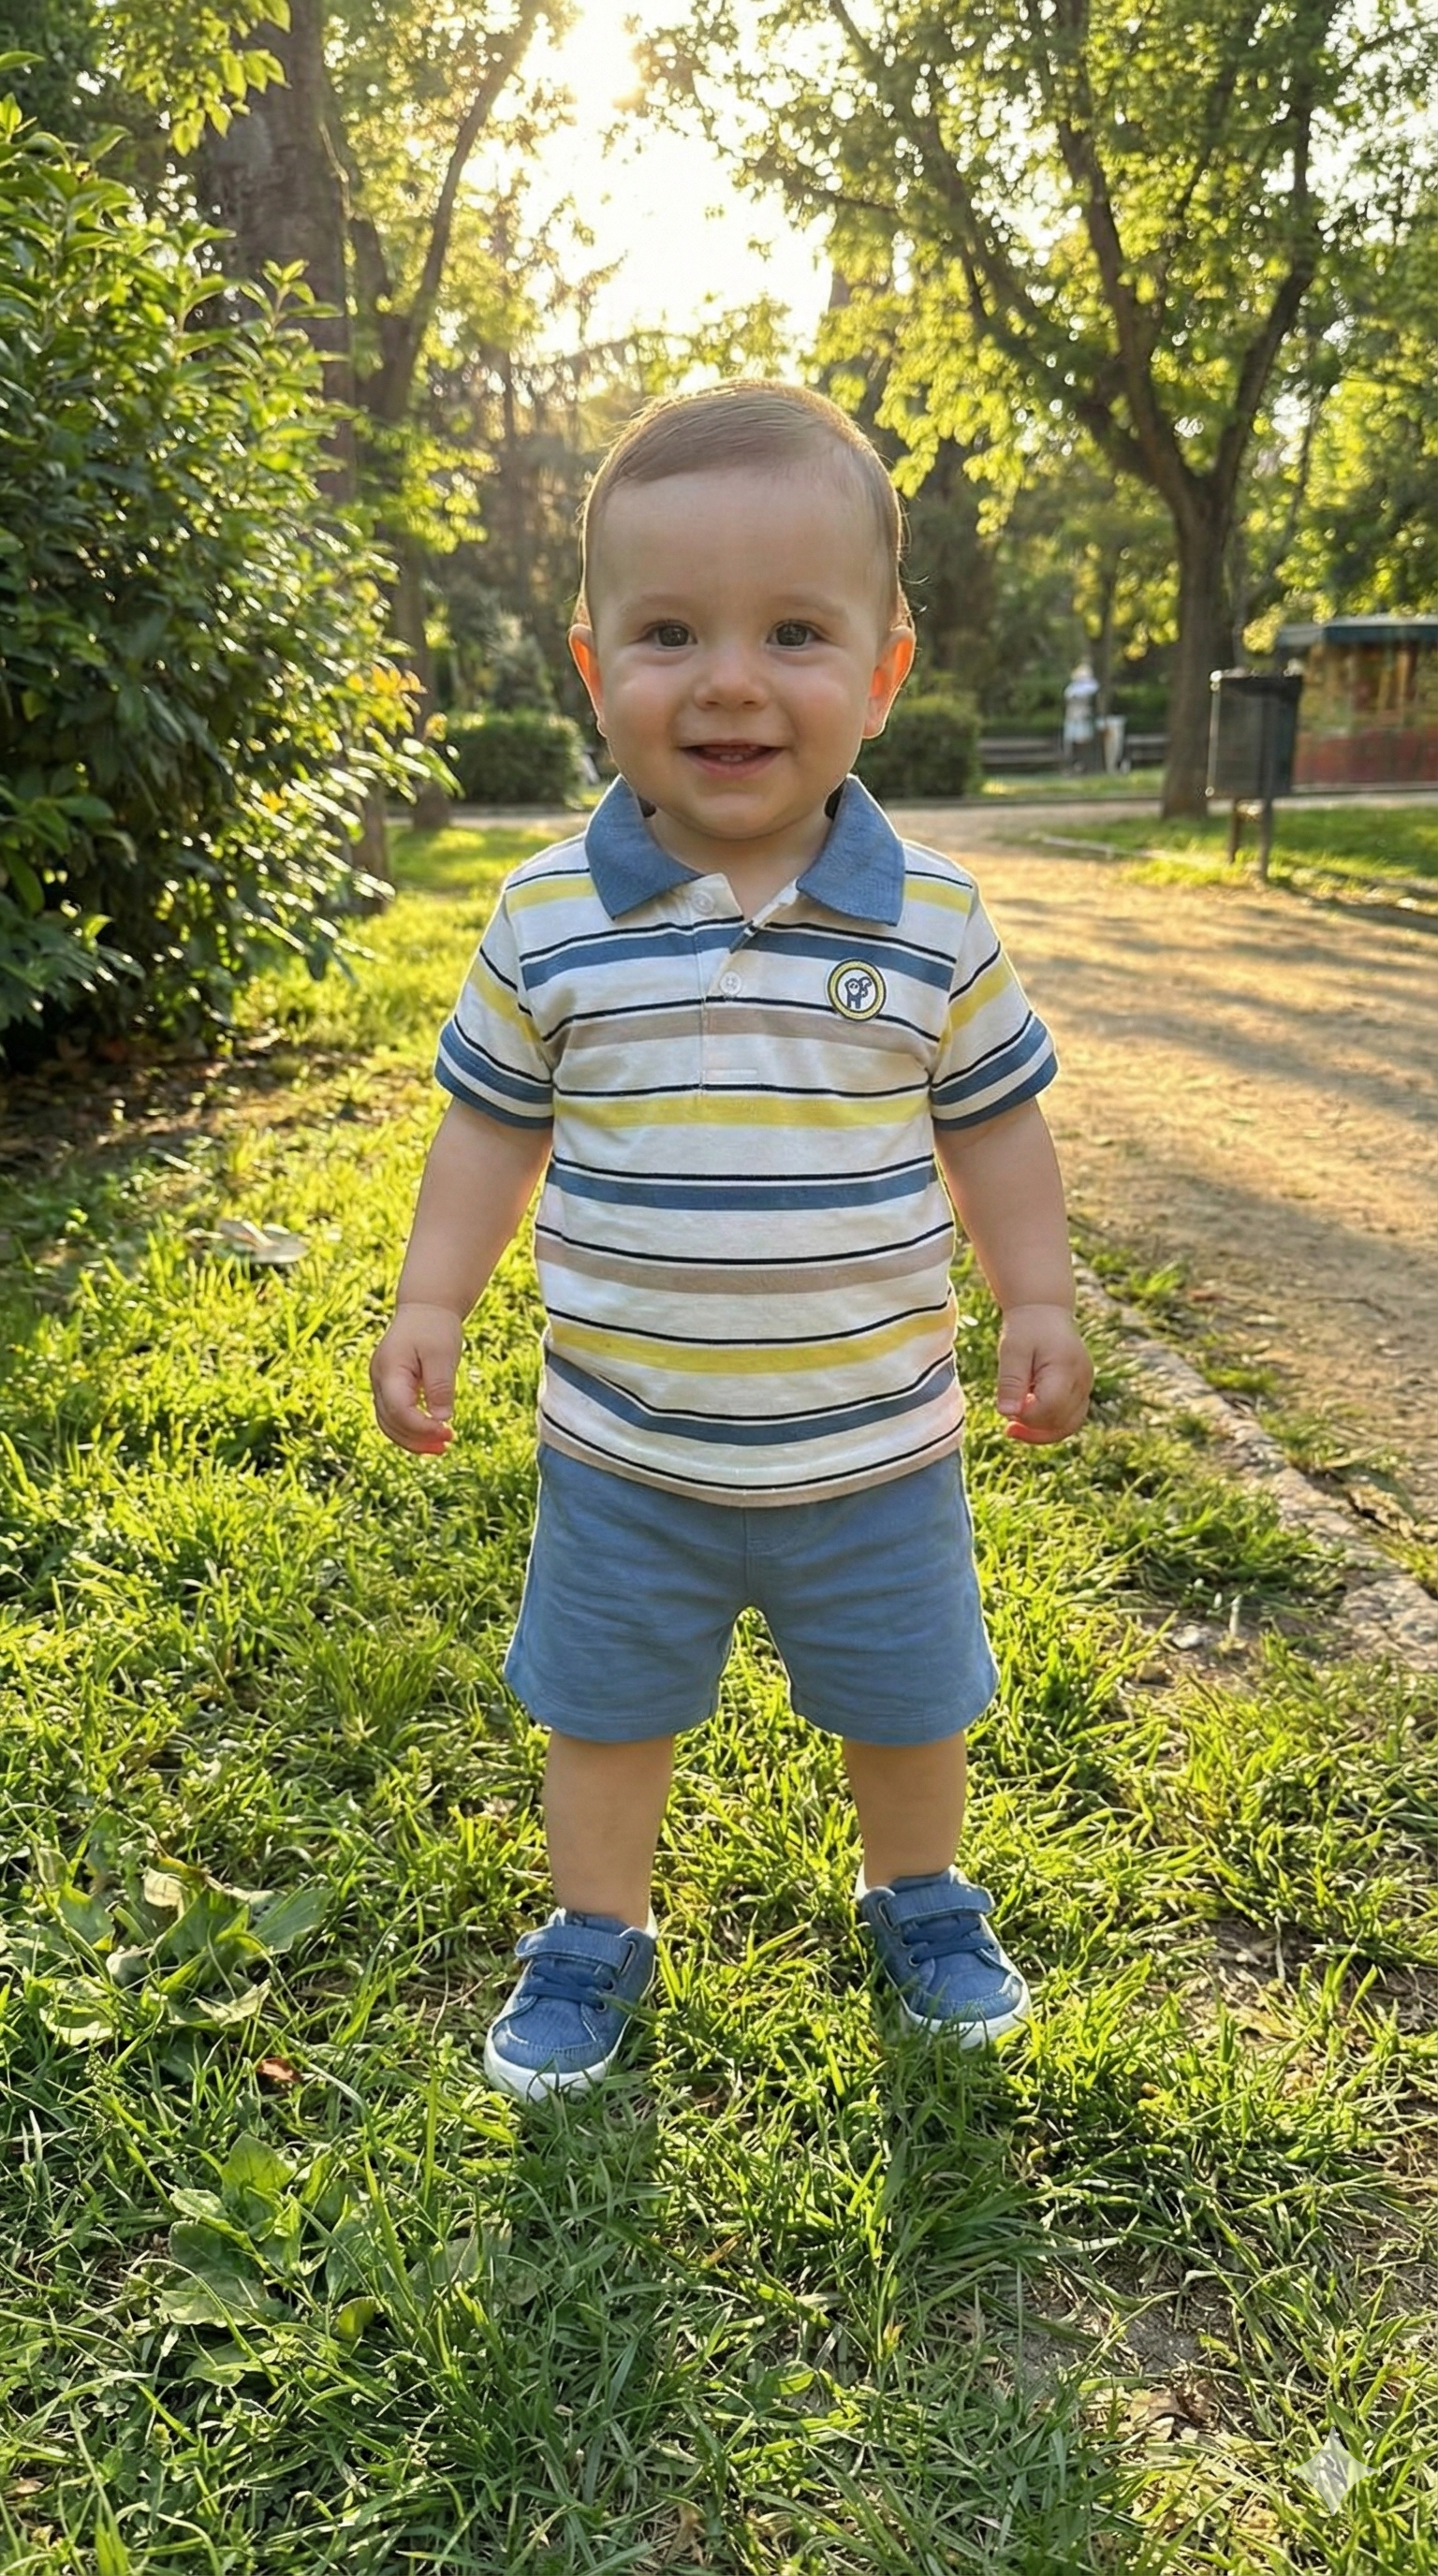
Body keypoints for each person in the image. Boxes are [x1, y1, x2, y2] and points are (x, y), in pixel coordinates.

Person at [371, 382, 1093, 2103]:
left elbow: (993, 1121)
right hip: (626, 1444)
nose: (729, 681)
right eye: (671, 631)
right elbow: (492, 1122)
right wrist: (431, 1293)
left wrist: (1040, 1291)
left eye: (793, 631)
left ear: (883, 668)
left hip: (874, 1439)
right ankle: (592, 1927)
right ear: (592, 659)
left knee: (910, 1697)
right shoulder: (550, 915)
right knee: (603, 1707)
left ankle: (918, 1892)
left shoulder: (931, 924)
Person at [1063, 658, 1100, 771]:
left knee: (1084, 741)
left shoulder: (1089, 688)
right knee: (1073, 742)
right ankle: (1075, 764)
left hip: (1083, 718)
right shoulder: (1072, 690)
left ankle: (1084, 765)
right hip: (1074, 718)